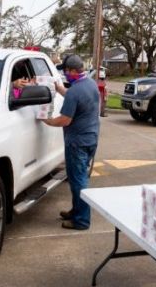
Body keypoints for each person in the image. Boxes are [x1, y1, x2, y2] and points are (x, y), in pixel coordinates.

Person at [42, 55, 100, 230]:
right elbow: (75, 97)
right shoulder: (89, 84)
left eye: (66, 71)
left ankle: (81, 220)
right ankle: (76, 211)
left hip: (77, 142)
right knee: (79, 177)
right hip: (91, 138)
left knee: (78, 181)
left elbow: (65, 120)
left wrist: (48, 120)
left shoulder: (75, 91)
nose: (65, 74)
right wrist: (59, 88)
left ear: (73, 71)